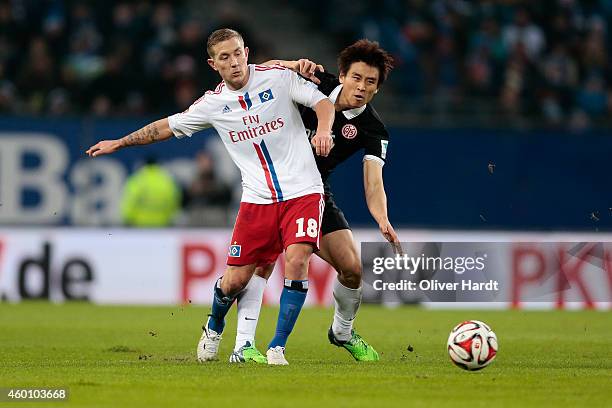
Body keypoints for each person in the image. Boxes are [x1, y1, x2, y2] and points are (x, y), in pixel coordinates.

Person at [86, 28, 335, 365]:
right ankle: (215, 323)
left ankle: (277, 348)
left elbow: (322, 102)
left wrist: (322, 130)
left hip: (304, 189)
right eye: (224, 57)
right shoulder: (212, 104)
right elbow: (164, 128)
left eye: (237, 53)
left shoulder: (278, 78)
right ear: (212, 64)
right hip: (258, 199)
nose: (234, 62)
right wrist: (119, 142)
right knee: (234, 282)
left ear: (246, 51)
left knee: (297, 259)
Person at [229, 40, 400, 364]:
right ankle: (241, 343)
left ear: (377, 88)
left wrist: (382, 218)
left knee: (351, 270)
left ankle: (342, 331)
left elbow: (373, 180)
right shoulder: (316, 81)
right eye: (357, 78)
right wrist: (293, 63)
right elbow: (263, 73)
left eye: (370, 82)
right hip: (271, 186)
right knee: (258, 266)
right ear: (343, 75)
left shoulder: (374, 130)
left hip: (312, 192)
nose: (361, 87)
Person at [120, 156, 181, 227]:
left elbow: (130, 200)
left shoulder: (138, 179)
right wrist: (170, 217)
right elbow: (174, 200)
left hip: (140, 224)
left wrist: (127, 218)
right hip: (162, 224)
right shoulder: (167, 180)